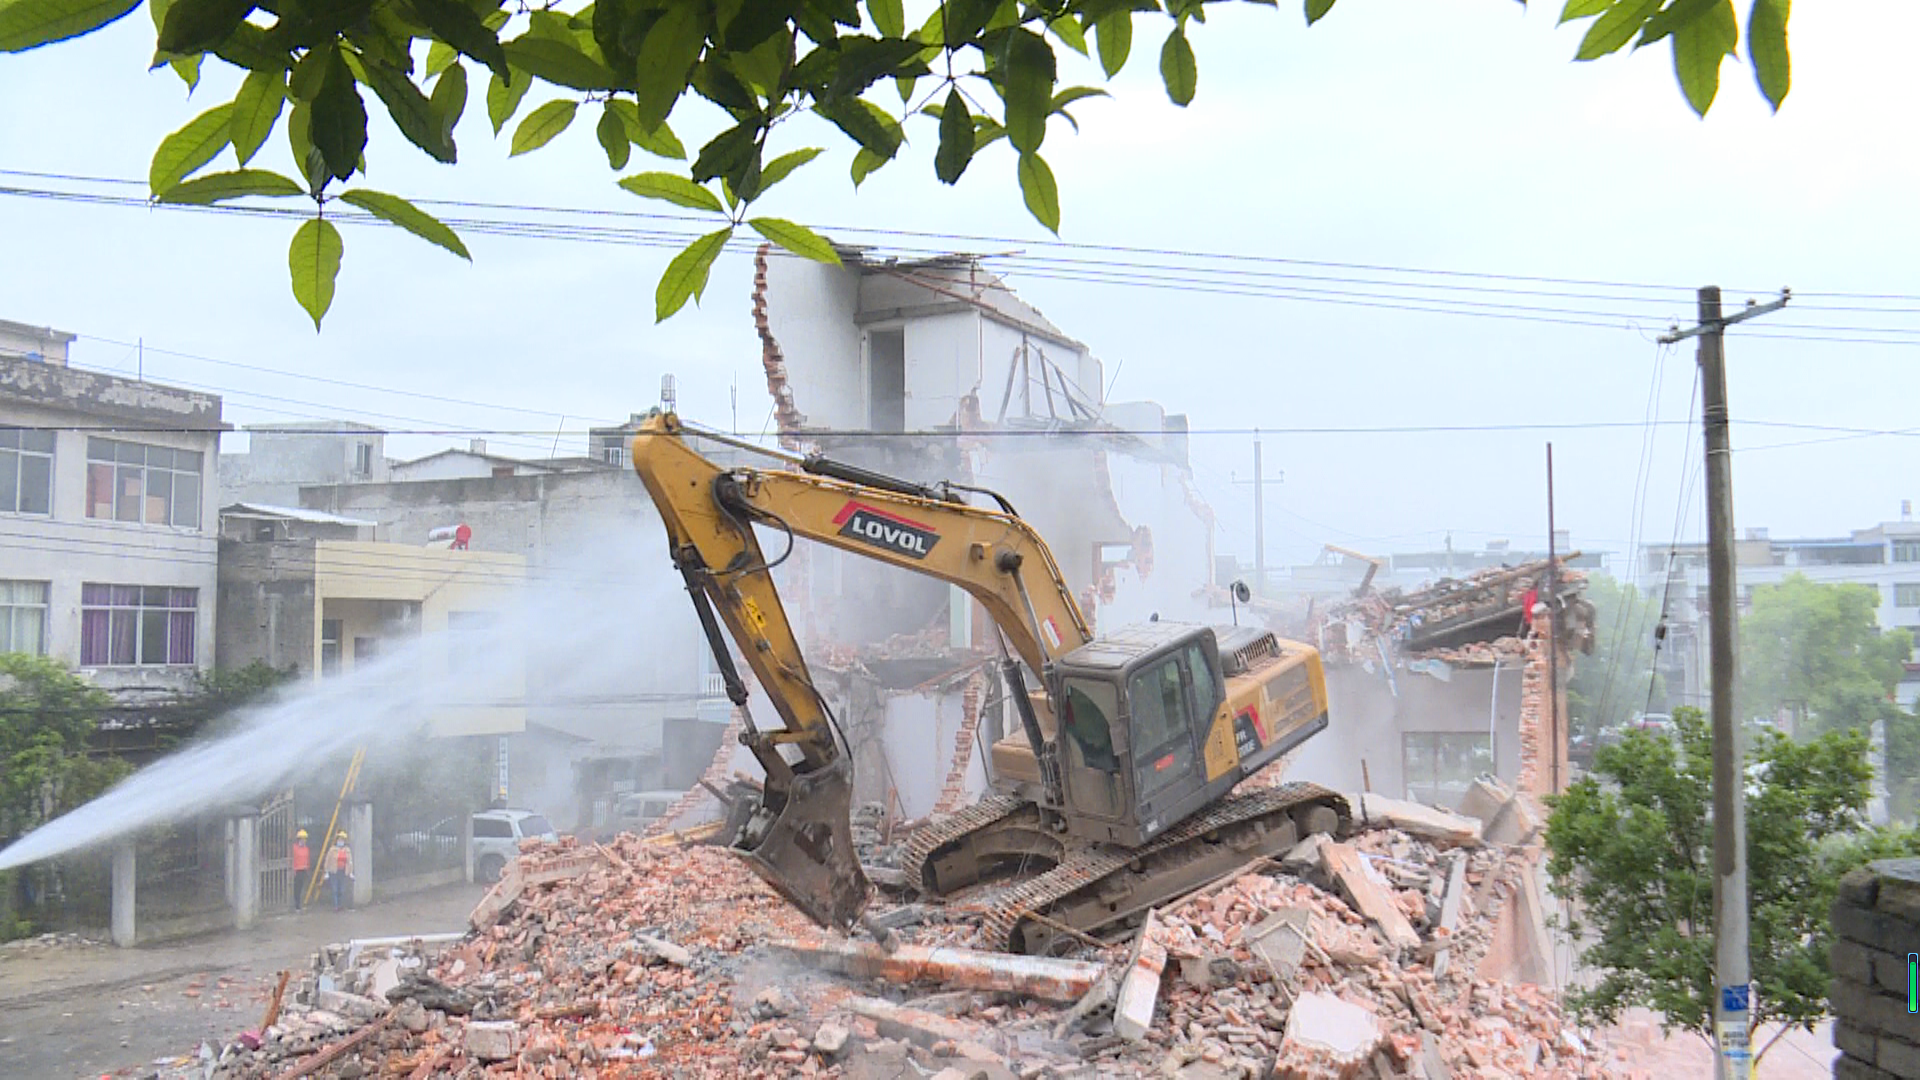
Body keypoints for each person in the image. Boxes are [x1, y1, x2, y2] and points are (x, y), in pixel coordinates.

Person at [328, 831, 354, 912]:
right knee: (335, 889)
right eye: (339, 839)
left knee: (342, 890)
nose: (340, 841)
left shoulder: (347, 850)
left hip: (343, 871)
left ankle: (340, 905)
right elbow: (328, 860)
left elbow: (350, 861)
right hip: (334, 872)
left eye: (342, 839)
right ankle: (336, 906)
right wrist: (326, 871)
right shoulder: (332, 849)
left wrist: (350, 872)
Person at [291, 829, 311, 911]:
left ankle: (300, 904)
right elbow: (292, 859)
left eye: (304, 839)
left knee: (302, 888)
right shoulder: (294, 848)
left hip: (304, 870)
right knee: (297, 888)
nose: (303, 841)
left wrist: (307, 868)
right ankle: (297, 905)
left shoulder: (306, 849)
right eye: (302, 839)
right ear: (298, 839)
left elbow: (307, 859)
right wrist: (293, 870)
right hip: (296, 870)